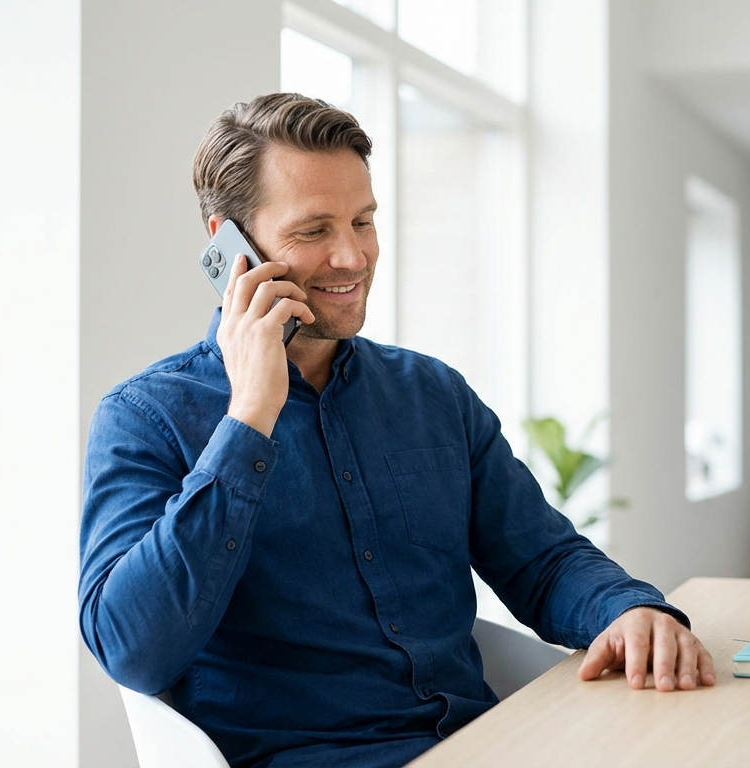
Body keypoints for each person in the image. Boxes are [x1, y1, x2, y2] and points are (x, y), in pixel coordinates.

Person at [78, 93, 714, 768]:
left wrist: (628, 611)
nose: (352, 257)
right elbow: (132, 651)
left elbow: (542, 559)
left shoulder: (431, 394)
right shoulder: (146, 418)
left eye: (363, 220)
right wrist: (249, 419)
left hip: (483, 743)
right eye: (313, 230)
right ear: (229, 245)